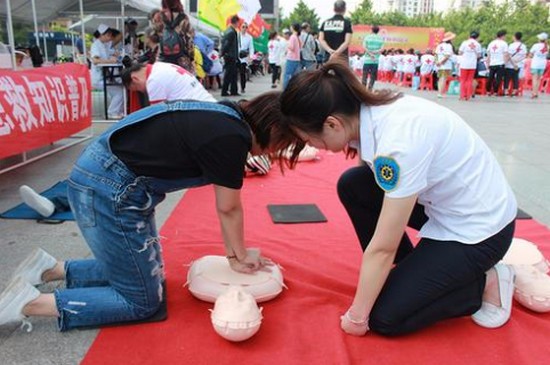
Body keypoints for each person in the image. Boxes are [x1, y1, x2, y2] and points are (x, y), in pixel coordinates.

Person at [0, 92, 293, 332]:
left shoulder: (226, 116)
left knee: (145, 271)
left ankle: (50, 269)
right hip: (108, 189)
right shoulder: (232, 137)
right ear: (273, 129)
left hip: (104, 178)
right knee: (141, 301)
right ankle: (30, 302)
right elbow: (228, 208)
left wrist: (236, 255)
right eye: (280, 145)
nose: (272, 154)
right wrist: (239, 258)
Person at [279, 59, 517, 337]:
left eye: (309, 140)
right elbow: (375, 188)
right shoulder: (370, 114)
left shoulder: (397, 141)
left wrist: (357, 317)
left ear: (332, 123)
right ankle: (410, 269)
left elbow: (383, 246)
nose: (313, 146)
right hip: (447, 206)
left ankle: (485, 282)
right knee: (353, 184)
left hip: (480, 232)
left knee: (384, 318)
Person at [122, 61, 216, 103]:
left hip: (199, 112)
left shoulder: (153, 80)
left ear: (135, 79)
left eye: (137, 89)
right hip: (208, 103)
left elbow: (157, 115)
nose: (142, 91)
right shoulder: (160, 66)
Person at [90, 24, 124, 119]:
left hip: (105, 76)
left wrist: (116, 54)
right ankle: (112, 112)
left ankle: (117, 111)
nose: (110, 38)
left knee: (120, 88)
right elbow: (95, 60)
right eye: (108, 35)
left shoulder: (104, 45)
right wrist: (110, 61)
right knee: (119, 92)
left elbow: (112, 52)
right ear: (101, 35)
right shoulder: (96, 45)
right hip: (99, 78)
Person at [319, 0, 353, 64]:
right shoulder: (347, 23)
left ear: (334, 9)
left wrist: (330, 51)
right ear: (344, 9)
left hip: (328, 57)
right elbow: (347, 42)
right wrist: (336, 53)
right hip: (342, 59)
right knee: (342, 74)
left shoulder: (325, 23)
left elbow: (321, 39)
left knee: (327, 74)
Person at [458, 31, 482, 101]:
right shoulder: (478, 44)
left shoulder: (464, 43)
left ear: (470, 36)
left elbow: (460, 52)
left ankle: (462, 95)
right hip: (472, 65)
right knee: (469, 80)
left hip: (464, 64)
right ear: (477, 37)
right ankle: (468, 96)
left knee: (463, 80)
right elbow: (479, 55)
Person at [220, 15, 240, 97]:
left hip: (232, 56)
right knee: (228, 74)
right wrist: (223, 53)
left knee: (234, 74)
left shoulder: (230, 31)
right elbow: (226, 44)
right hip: (230, 56)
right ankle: (224, 91)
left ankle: (233, 91)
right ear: (236, 22)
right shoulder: (230, 32)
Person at [504, 32, 527, 97]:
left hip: (510, 65)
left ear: (514, 37)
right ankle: (514, 91)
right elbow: (524, 56)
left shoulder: (511, 45)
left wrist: (513, 63)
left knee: (507, 78)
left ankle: (506, 91)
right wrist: (517, 61)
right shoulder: (523, 46)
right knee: (515, 78)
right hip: (518, 65)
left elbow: (509, 56)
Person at [486, 30, 509, 96]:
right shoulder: (504, 43)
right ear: (503, 36)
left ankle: (488, 91)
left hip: (492, 63)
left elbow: (488, 54)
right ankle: (495, 91)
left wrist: (488, 63)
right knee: (498, 78)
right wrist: (505, 63)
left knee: (490, 78)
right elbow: (505, 54)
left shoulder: (491, 43)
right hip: (500, 63)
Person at [362, 25, 384, 90]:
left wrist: (370, 54)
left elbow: (364, 47)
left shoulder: (367, 37)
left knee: (365, 75)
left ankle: (363, 89)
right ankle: (370, 89)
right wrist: (375, 52)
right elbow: (382, 49)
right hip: (375, 60)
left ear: (371, 30)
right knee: (373, 76)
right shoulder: (380, 38)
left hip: (367, 60)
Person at [435, 32, 455, 98]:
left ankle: (439, 92)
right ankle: (441, 93)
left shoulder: (439, 45)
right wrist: (441, 62)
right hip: (445, 64)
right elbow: (447, 56)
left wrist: (437, 62)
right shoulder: (449, 46)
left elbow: (436, 54)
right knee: (444, 78)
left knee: (440, 78)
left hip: (439, 64)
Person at [528, 32, 548, 99]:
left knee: (534, 78)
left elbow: (530, 54)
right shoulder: (547, 46)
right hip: (542, 64)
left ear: (539, 39)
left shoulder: (536, 45)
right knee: (539, 79)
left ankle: (533, 93)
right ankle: (536, 92)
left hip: (535, 64)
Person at [283, 23, 302, 89]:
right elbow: (301, 46)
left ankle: (285, 90)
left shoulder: (292, 36)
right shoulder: (297, 37)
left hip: (291, 58)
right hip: (297, 59)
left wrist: (287, 43)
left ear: (293, 27)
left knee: (287, 75)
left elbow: (291, 47)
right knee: (296, 76)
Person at [238, 22, 254, 94]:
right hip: (236, 56)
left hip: (243, 58)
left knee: (242, 73)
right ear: (240, 27)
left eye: (246, 27)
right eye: (243, 27)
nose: (244, 28)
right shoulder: (237, 35)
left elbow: (251, 48)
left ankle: (242, 87)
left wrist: (251, 57)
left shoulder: (249, 37)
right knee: (234, 73)